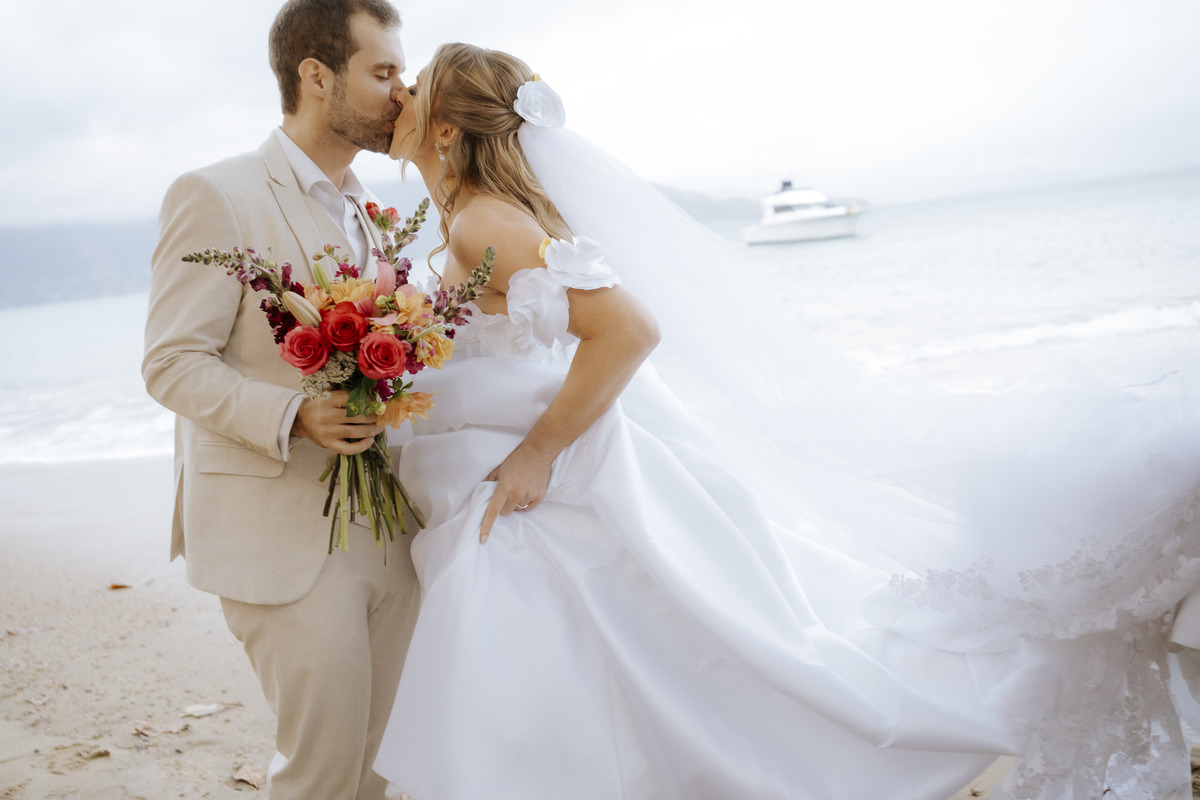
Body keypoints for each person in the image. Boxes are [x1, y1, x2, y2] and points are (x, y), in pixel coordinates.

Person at [372, 43, 1200, 800]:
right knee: (652, 668)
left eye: (413, 88)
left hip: (545, 487)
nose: (397, 97)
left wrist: (538, 456)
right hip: (532, 485)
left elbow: (629, 330)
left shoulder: (484, 220)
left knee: (671, 669)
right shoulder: (476, 218)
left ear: (446, 129)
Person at [141, 2, 419, 798]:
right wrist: (293, 412)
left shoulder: (371, 210)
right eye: (383, 72)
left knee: (385, 767)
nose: (402, 92)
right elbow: (170, 363)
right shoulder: (215, 195)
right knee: (322, 773)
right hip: (279, 538)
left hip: (387, 529)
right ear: (316, 76)